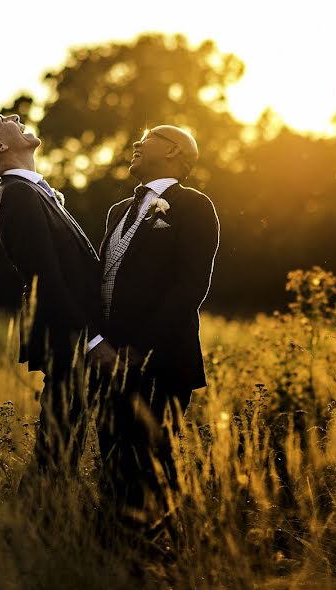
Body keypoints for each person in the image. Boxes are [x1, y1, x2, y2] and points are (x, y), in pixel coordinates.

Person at [0, 113, 116, 491]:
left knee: (66, 442)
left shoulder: (33, 192)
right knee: (59, 448)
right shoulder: (18, 197)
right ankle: (31, 526)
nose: (13, 116)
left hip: (76, 338)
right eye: (2, 119)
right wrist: (93, 342)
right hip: (70, 342)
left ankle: (43, 523)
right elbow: (46, 282)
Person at [97, 125, 220, 528]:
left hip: (161, 361)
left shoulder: (195, 207)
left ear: (173, 151)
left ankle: (161, 548)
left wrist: (141, 349)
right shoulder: (117, 211)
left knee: (153, 459)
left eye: (146, 138)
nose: (135, 143)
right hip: (109, 361)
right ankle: (114, 545)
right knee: (112, 458)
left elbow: (190, 287)